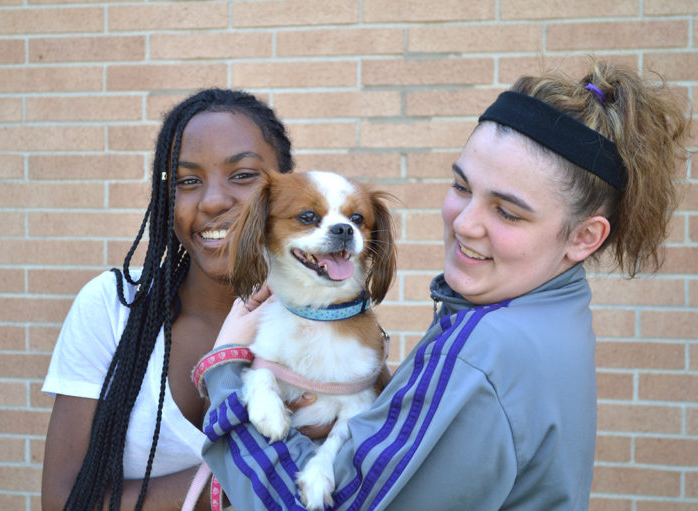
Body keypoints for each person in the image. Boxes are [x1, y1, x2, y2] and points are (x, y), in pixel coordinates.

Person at [193, 61, 689, 510]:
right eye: (461, 187)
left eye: (507, 211)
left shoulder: (481, 356)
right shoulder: (556, 316)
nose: (465, 223)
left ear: (584, 237)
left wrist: (224, 369)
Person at [41, 88, 294, 511]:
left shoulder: (322, 321)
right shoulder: (114, 306)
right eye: (187, 181)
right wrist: (242, 473)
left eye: (243, 175)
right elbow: (62, 501)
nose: (213, 200)